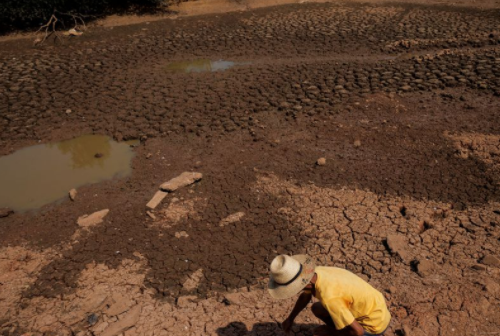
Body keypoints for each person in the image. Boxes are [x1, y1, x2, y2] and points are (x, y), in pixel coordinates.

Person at [268, 254, 391, 336]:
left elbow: (357, 331)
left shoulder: (330, 298)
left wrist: (331, 331)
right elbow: (305, 296)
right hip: (375, 308)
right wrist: (290, 318)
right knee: (317, 308)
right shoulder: (315, 274)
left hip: (373, 325)